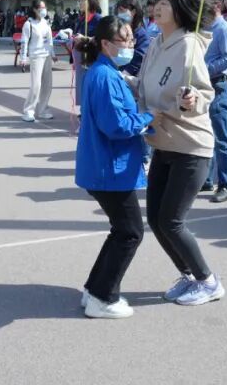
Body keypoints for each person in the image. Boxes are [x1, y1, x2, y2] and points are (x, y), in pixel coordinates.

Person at [136, 0, 224, 306]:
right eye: (156, 1)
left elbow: (204, 93)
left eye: (165, 2)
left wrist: (192, 99)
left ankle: (208, 281)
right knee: (156, 219)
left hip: (190, 145)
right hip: (162, 143)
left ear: (180, 8)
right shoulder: (156, 42)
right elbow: (143, 87)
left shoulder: (188, 44)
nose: (157, 7)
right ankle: (189, 276)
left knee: (171, 221)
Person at [74, 16, 155, 319]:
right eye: (125, 39)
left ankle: (94, 290)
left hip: (105, 166)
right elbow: (117, 125)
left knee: (121, 230)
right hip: (109, 169)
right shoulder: (105, 76)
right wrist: (150, 118)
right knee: (130, 233)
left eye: (132, 38)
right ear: (106, 44)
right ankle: (103, 298)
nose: (131, 44)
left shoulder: (105, 71)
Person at [202, 0, 227, 203]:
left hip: (217, 86)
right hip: (202, 87)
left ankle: (226, 184)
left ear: (216, 6)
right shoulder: (204, 28)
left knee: (221, 138)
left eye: (204, 5)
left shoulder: (223, 29)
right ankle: (206, 179)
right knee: (205, 135)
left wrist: (204, 69)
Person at [21, 0, 55, 123]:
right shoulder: (29, 24)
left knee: (47, 85)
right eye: (41, 8)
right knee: (36, 85)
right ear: (35, 9)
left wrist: (52, 54)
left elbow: (49, 40)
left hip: (46, 56)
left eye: (44, 7)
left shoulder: (46, 23)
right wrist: (23, 58)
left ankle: (43, 110)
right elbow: (24, 42)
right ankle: (28, 111)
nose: (44, 10)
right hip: (36, 56)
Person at [73, 0, 103, 111]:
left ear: (91, 2)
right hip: (81, 58)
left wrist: (86, 39)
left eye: (83, 1)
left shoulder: (98, 19)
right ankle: (83, 111)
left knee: (92, 86)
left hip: (93, 58)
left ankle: (92, 111)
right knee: (82, 85)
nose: (80, 3)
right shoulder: (81, 19)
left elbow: (100, 39)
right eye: (79, 1)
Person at [115, 0, 150, 76]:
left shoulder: (142, 35)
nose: (119, 14)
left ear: (133, 12)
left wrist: (125, 74)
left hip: (131, 77)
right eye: (118, 11)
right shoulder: (117, 31)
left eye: (122, 10)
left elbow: (139, 58)